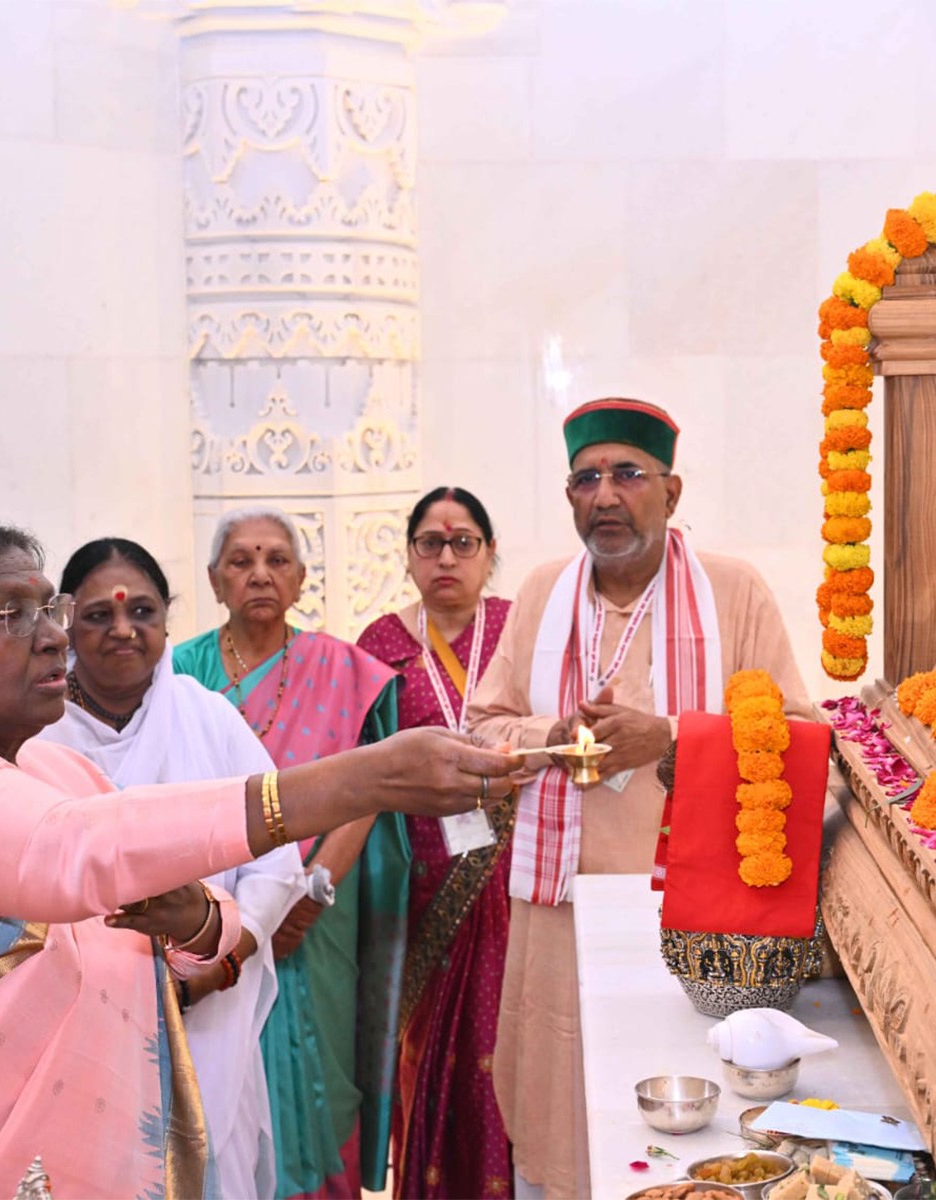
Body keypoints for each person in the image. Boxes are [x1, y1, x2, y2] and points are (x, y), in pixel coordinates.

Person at [0, 519, 522, 1198]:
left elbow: (173, 925)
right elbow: (72, 850)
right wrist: (359, 780)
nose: (54, 637)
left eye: (48, 608)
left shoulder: (51, 767)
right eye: (11, 614)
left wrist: (198, 926)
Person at [468, 398, 813, 1197]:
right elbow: (484, 727)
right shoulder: (543, 592)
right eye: (586, 478)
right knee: (565, 1118)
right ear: (569, 499)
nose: (606, 495)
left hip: (695, 917)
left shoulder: (733, 591)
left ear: (672, 490)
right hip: (561, 911)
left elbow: (801, 744)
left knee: (690, 1121)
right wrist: (558, 734)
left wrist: (669, 740)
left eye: (628, 474)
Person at [34, 537, 307, 1199]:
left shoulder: (207, 715)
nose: (124, 629)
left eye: (144, 613)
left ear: (166, 621)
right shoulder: (38, 734)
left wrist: (223, 962)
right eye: (98, 615)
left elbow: (279, 861)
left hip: (209, 1017)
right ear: (65, 621)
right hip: (75, 1026)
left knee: (209, 1167)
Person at [174, 506, 407, 1198]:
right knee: (217, 1068)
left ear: (302, 579)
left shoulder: (343, 670)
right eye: (241, 561)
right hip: (207, 915)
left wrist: (310, 890)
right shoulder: (177, 675)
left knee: (324, 1066)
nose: (260, 574)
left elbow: (368, 787)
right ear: (216, 581)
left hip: (316, 918)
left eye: (277, 560)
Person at [356, 487, 515, 1200]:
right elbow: (359, 771)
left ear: (488, 554)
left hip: (516, 883)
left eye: (463, 543)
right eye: (430, 542)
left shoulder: (522, 628)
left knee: (506, 1050)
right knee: (431, 1057)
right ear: (411, 555)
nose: (446, 557)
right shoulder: (379, 646)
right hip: (418, 889)